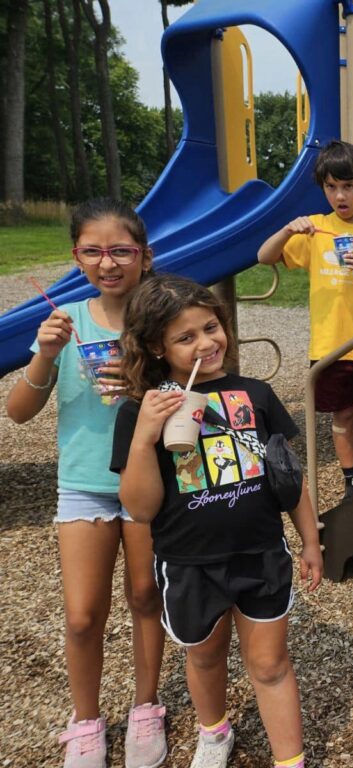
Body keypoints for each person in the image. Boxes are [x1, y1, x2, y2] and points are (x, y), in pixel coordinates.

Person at [111, 274, 324, 768]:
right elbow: (140, 508)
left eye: (211, 327)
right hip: (188, 562)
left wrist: (310, 539)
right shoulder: (139, 411)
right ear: (157, 347)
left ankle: (290, 760)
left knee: (270, 664)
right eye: (186, 337)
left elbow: (290, 478)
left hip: (261, 553)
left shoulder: (257, 394)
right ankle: (214, 731)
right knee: (204, 656)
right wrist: (145, 435)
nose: (206, 343)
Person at [5, 198, 167, 768]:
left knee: (147, 596)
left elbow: (195, 399)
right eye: (93, 251)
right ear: (76, 257)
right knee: (80, 614)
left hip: (150, 483)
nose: (108, 262)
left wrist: (143, 382)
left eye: (121, 250)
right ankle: (85, 721)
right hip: (83, 482)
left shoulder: (162, 324)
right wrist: (45, 356)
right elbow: (18, 412)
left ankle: (147, 707)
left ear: (144, 257)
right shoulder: (66, 321)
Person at [258, 139, 353, 497]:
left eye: (348, 186)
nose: (340, 196)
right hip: (330, 345)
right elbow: (264, 256)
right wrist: (288, 230)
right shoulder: (315, 230)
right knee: (341, 417)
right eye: (331, 187)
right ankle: (351, 480)